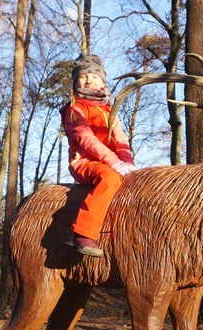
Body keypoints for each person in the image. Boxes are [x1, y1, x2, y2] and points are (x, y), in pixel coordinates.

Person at [60, 53, 136, 257]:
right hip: (85, 162)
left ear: (103, 82)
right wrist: (114, 161)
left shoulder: (110, 110)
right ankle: (82, 233)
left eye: (94, 77)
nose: (89, 80)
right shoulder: (75, 108)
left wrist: (127, 162)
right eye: (83, 77)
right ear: (76, 82)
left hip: (113, 162)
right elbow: (85, 138)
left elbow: (120, 139)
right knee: (110, 178)